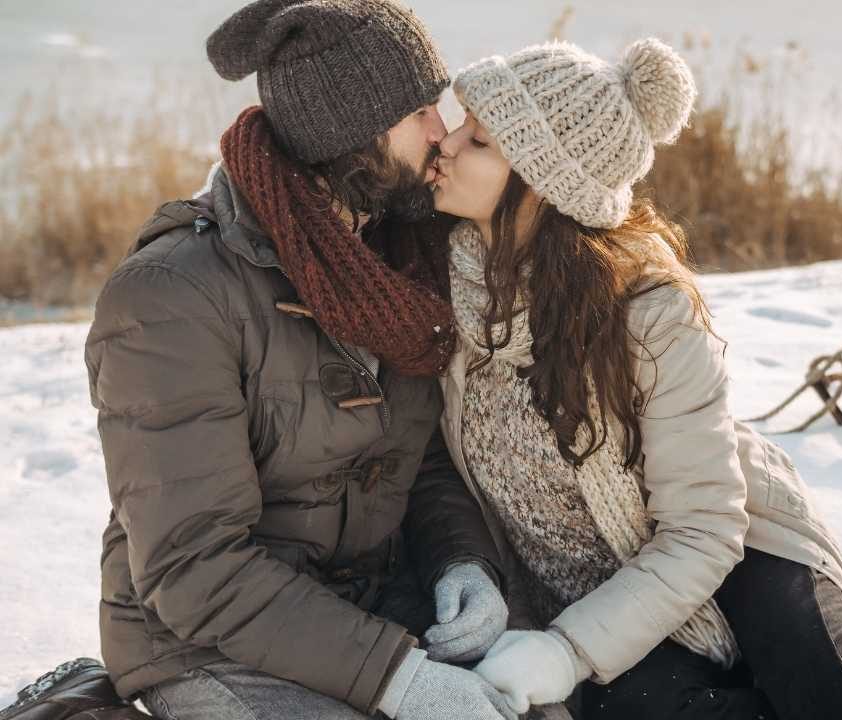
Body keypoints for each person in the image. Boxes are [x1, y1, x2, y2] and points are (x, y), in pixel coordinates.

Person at [424, 37, 842, 720]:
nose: (446, 142)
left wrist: (565, 653)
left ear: (544, 183)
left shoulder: (644, 313)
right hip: (603, 589)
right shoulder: (443, 286)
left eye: (480, 140)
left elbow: (703, 528)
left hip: (728, 545)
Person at [0, 2, 518, 720]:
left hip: (366, 607)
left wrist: (464, 562)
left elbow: (419, 459)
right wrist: (396, 679)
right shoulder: (173, 295)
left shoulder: (399, 255)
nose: (442, 131)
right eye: (421, 109)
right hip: (206, 641)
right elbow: (194, 567)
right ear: (350, 130)